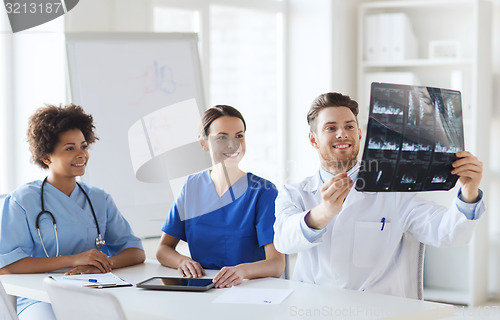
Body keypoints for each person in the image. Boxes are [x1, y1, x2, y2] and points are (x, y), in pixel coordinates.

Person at [273, 92, 485, 298]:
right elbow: (283, 241)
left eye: (349, 126)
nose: (342, 133)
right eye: (331, 128)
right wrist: (323, 213)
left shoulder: (393, 190)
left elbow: (447, 233)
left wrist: (469, 192)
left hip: (378, 311)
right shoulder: (294, 193)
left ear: (359, 134)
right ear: (313, 139)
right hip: (315, 309)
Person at [0, 104, 145, 319]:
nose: (81, 154)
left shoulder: (99, 198)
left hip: (94, 292)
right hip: (40, 296)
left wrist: (101, 265)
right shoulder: (22, 200)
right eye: (70, 148)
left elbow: (135, 251)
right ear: (47, 156)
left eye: (83, 146)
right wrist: (74, 259)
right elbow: (8, 266)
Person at [157, 105, 285, 288]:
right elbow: (163, 249)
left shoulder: (263, 191)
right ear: (204, 144)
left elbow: (277, 264)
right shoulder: (192, 187)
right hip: (203, 289)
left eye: (239, 136)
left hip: (248, 289)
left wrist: (241, 271)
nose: (233, 145)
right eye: (222, 137)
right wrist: (182, 262)